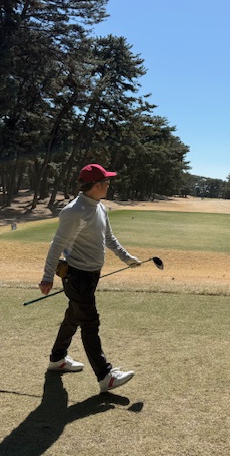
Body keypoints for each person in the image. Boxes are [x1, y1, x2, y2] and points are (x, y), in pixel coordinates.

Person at [39, 163, 142, 393]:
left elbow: (109, 238)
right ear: (96, 185)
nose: (109, 184)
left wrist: (127, 258)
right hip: (76, 276)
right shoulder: (74, 211)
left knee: (73, 317)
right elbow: (57, 245)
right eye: (106, 181)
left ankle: (57, 359)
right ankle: (105, 376)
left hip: (92, 275)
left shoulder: (100, 207)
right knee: (90, 323)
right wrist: (47, 277)